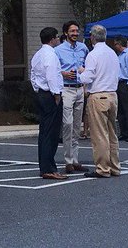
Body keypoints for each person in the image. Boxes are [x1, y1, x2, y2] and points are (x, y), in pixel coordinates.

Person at [78, 25, 122, 178]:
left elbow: (88, 77)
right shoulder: (112, 53)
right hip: (112, 95)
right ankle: (115, 166)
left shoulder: (93, 54)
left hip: (98, 95)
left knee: (99, 135)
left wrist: (80, 73)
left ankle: (102, 168)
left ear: (92, 37)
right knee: (112, 133)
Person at [30, 27, 66, 180]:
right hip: (50, 95)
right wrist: (56, 93)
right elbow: (52, 75)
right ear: (52, 39)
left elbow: (32, 75)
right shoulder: (50, 55)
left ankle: (45, 166)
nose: (58, 39)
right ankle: (48, 168)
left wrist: (37, 88)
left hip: (41, 93)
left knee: (44, 132)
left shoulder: (37, 55)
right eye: (57, 37)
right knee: (51, 133)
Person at [55, 21, 89, 173]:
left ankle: (75, 160)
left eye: (77, 31)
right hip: (66, 89)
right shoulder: (58, 50)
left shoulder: (83, 48)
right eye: (72, 31)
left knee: (76, 126)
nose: (75, 33)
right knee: (67, 124)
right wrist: (63, 73)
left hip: (79, 89)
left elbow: (89, 66)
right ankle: (68, 160)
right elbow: (52, 70)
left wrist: (86, 79)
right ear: (66, 33)